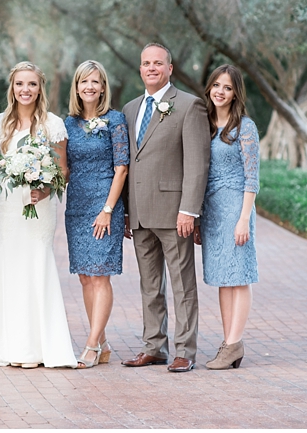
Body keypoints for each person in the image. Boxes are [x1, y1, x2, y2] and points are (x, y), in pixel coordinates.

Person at [0, 61, 78, 369]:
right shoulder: (0, 123)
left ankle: (41, 347)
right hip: (8, 209)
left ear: (40, 88)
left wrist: (44, 190)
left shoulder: (53, 124)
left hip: (39, 207)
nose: (26, 90)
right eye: (20, 84)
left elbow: (62, 170)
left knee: (37, 263)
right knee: (10, 264)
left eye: (32, 84)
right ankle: (8, 346)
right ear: (12, 88)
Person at [121, 43, 211, 373]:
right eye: (146, 63)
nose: (151, 68)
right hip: (141, 213)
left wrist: (190, 209)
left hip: (175, 213)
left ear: (169, 68)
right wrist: (128, 211)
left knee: (182, 285)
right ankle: (153, 347)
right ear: (140, 68)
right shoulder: (131, 109)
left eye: (158, 63)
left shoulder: (189, 106)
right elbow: (130, 162)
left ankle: (185, 350)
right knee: (149, 286)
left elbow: (197, 163)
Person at [64, 60, 129, 368]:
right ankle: (101, 343)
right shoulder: (68, 124)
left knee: (100, 276)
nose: (89, 87)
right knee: (85, 278)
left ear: (103, 87)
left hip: (105, 206)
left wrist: (107, 210)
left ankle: (90, 345)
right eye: (83, 82)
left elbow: (122, 168)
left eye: (95, 81)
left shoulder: (114, 120)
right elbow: (63, 168)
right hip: (76, 207)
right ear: (76, 87)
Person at [194, 64, 259, 370]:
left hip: (236, 207)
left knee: (239, 276)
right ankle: (228, 342)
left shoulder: (244, 128)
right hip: (212, 211)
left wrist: (244, 218)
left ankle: (233, 343)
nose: (220, 91)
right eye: (216, 85)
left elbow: (252, 178)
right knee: (223, 278)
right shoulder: (204, 125)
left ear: (235, 94)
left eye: (228, 87)